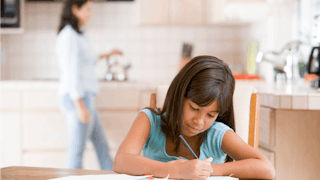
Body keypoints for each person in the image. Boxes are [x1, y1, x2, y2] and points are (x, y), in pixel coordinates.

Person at [113, 56, 276, 180]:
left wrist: (208, 170)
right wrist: (176, 171)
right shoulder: (149, 120)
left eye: (211, 115)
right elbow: (121, 161)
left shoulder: (217, 134)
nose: (199, 121)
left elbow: (267, 169)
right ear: (179, 95)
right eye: (194, 108)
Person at [56, 0, 121, 170]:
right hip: (78, 98)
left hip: (86, 97)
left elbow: (88, 59)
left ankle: (113, 176)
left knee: (102, 147)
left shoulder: (78, 35)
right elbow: (71, 71)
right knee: (77, 151)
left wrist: (109, 53)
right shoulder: (68, 35)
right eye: (88, 9)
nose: (90, 13)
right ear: (75, 9)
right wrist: (79, 105)